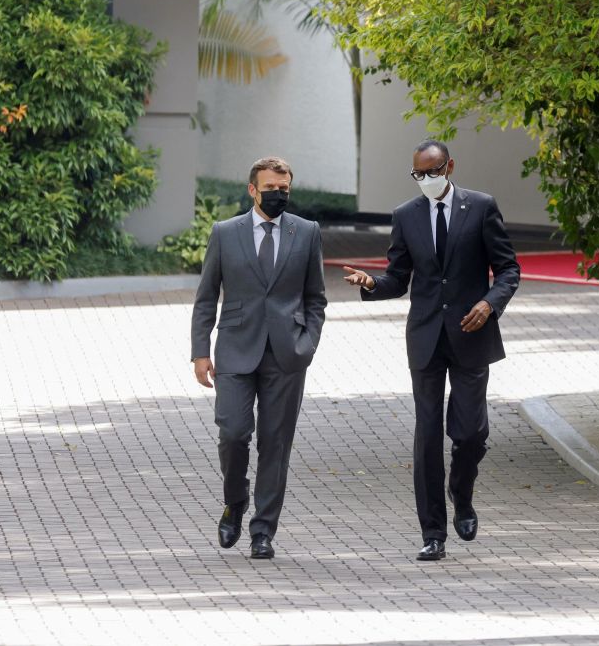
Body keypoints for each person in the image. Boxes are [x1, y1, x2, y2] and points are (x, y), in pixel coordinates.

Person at [343, 140, 520, 561]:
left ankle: (462, 493)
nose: (426, 180)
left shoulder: (480, 207)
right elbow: (397, 278)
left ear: (449, 166)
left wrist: (489, 303)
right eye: (418, 175)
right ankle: (433, 533)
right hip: (425, 338)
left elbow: (508, 268)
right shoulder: (406, 216)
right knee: (427, 436)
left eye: (432, 171)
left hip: (471, 332)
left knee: (471, 433)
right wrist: (372, 285)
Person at [191, 156, 327, 559]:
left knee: (275, 443)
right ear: (252, 189)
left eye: (284, 189)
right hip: (235, 348)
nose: (278, 195)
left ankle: (263, 532)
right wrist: (200, 351)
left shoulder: (306, 232)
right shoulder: (225, 233)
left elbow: (316, 298)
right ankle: (235, 501)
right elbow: (205, 298)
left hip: (287, 354)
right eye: (270, 188)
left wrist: (308, 343)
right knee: (233, 432)